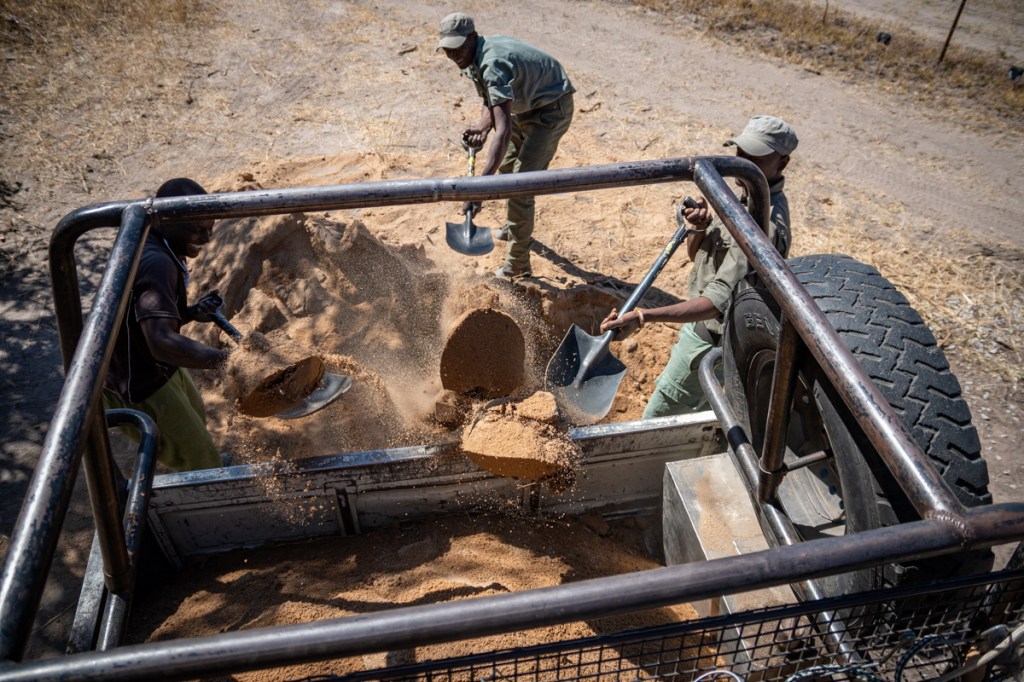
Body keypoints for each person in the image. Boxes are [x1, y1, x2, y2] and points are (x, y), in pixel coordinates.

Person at [601, 115, 798, 418]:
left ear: (781, 163)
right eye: (742, 152)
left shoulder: (762, 226)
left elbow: (716, 304)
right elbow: (701, 259)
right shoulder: (741, 199)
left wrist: (641, 317)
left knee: (655, 420)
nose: (743, 161)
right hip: (702, 329)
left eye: (756, 156)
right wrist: (698, 229)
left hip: (711, 341)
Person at [103, 177, 231, 471]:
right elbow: (161, 342)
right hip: (139, 381)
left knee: (196, 418)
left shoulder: (158, 243)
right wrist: (227, 361)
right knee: (199, 456)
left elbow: (145, 319)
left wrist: (190, 312)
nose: (206, 238)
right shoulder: (156, 262)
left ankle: (204, 464)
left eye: (209, 229)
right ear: (165, 220)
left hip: (155, 364)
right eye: (197, 229)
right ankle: (207, 493)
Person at [437, 12, 575, 279]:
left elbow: (503, 131)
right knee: (508, 168)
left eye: (457, 48)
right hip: (526, 104)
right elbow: (493, 101)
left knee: (520, 186)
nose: (454, 56)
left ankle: (518, 264)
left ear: (473, 38)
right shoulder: (472, 56)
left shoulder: (492, 62)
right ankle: (516, 227)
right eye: (448, 50)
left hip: (550, 108)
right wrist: (481, 126)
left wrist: (480, 189)